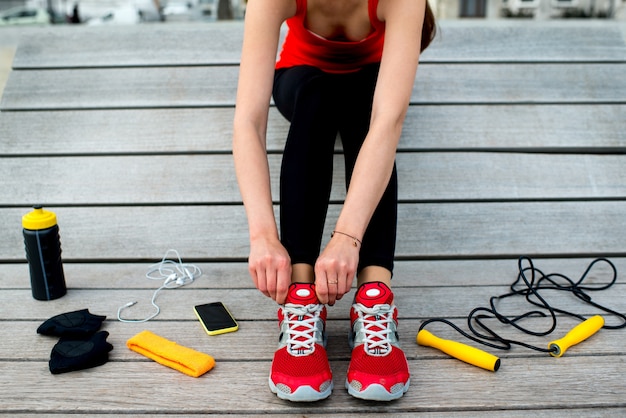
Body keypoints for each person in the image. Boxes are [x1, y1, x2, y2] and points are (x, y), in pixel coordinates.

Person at [232, 0, 436, 402]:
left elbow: (388, 120)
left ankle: (375, 295)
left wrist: (347, 237)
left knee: (366, 106)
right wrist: (262, 236)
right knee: (317, 95)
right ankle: (301, 295)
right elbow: (247, 122)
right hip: (301, 77)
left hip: (374, 79)